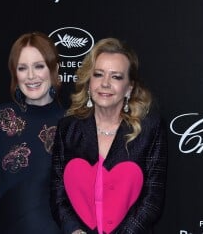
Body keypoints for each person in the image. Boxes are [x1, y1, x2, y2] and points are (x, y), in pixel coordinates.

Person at [50, 37, 167, 234]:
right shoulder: (68, 128)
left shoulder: (149, 129)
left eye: (116, 77)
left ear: (129, 88)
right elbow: (57, 193)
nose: (105, 83)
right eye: (98, 74)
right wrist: (73, 230)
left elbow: (152, 199)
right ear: (89, 82)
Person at [0, 31, 64, 234]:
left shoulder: (72, 123)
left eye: (39, 66)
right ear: (15, 74)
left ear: (54, 69)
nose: (31, 76)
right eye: (23, 68)